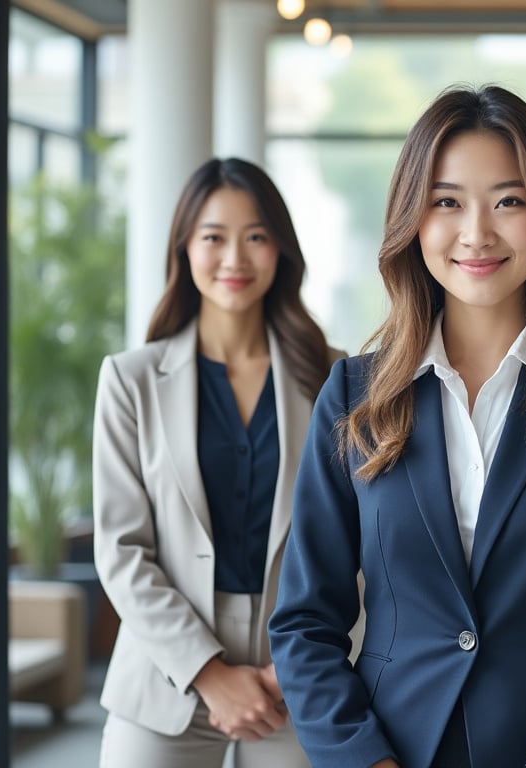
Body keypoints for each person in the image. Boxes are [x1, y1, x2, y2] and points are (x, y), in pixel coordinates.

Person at [267, 84, 526, 768]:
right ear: (413, 220)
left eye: (509, 201)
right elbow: (305, 623)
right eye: (448, 201)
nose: (477, 232)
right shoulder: (354, 395)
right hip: (389, 750)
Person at [92, 157, 343, 768]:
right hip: (165, 670)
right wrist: (208, 672)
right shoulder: (131, 380)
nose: (235, 258)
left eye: (256, 237)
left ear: (281, 250)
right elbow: (121, 550)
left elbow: (361, 541)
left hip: (297, 670)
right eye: (214, 237)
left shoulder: (335, 376)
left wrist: (302, 662)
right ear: (185, 248)